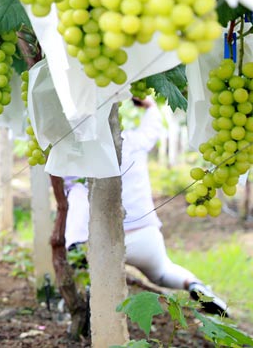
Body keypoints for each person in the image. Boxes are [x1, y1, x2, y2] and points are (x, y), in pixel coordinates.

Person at [64, 97, 229, 317]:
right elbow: (153, 126)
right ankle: (194, 284)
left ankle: (83, 296)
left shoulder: (77, 155)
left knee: (85, 265)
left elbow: (62, 177)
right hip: (143, 235)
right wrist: (149, 106)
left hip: (95, 240)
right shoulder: (133, 141)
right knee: (162, 271)